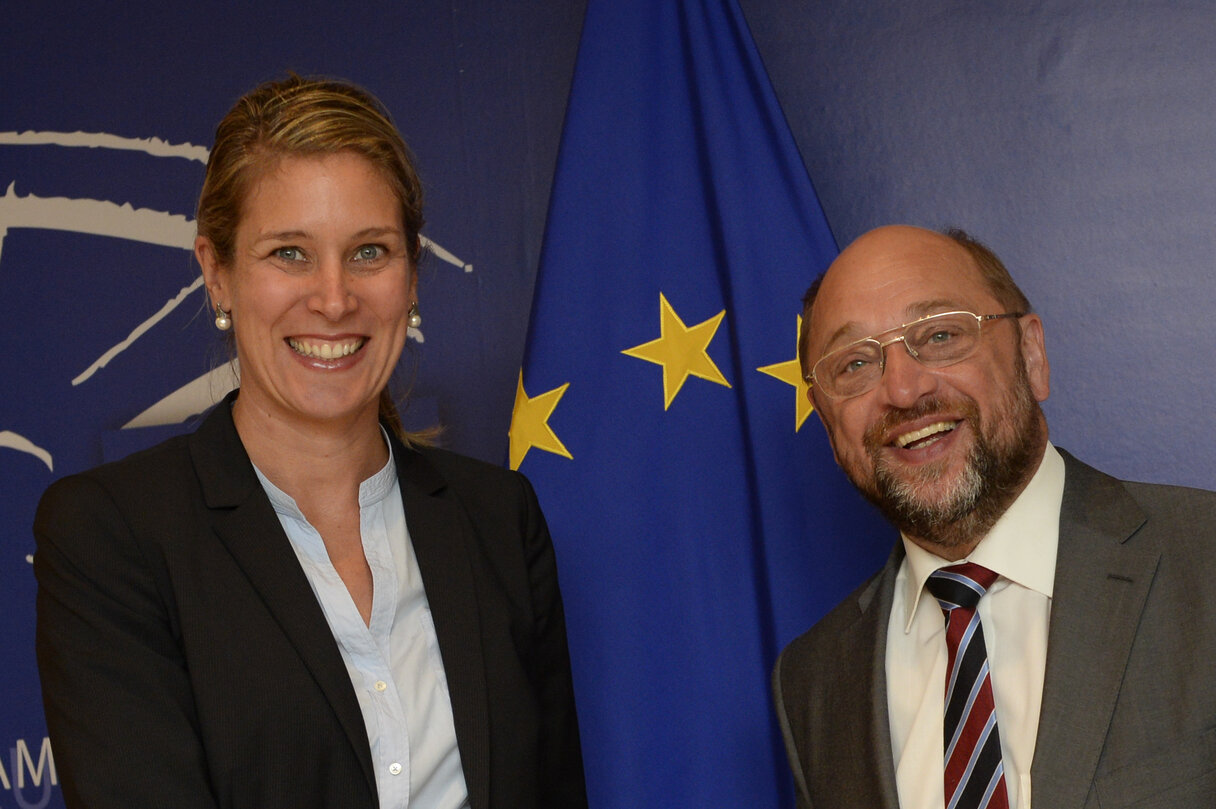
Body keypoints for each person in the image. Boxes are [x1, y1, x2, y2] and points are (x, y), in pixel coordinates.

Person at [34, 75, 587, 809]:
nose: (333, 297)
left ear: (412, 275)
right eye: (289, 253)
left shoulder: (498, 517)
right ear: (217, 273)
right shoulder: (113, 533)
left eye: (369, 251)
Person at [772, 225, 1216, 809]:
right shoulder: (813, 681)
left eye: (940, 334)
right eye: (854, 364)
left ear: (1031, 355)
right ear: (828, 427)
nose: (903, 390)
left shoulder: (1202, 560)